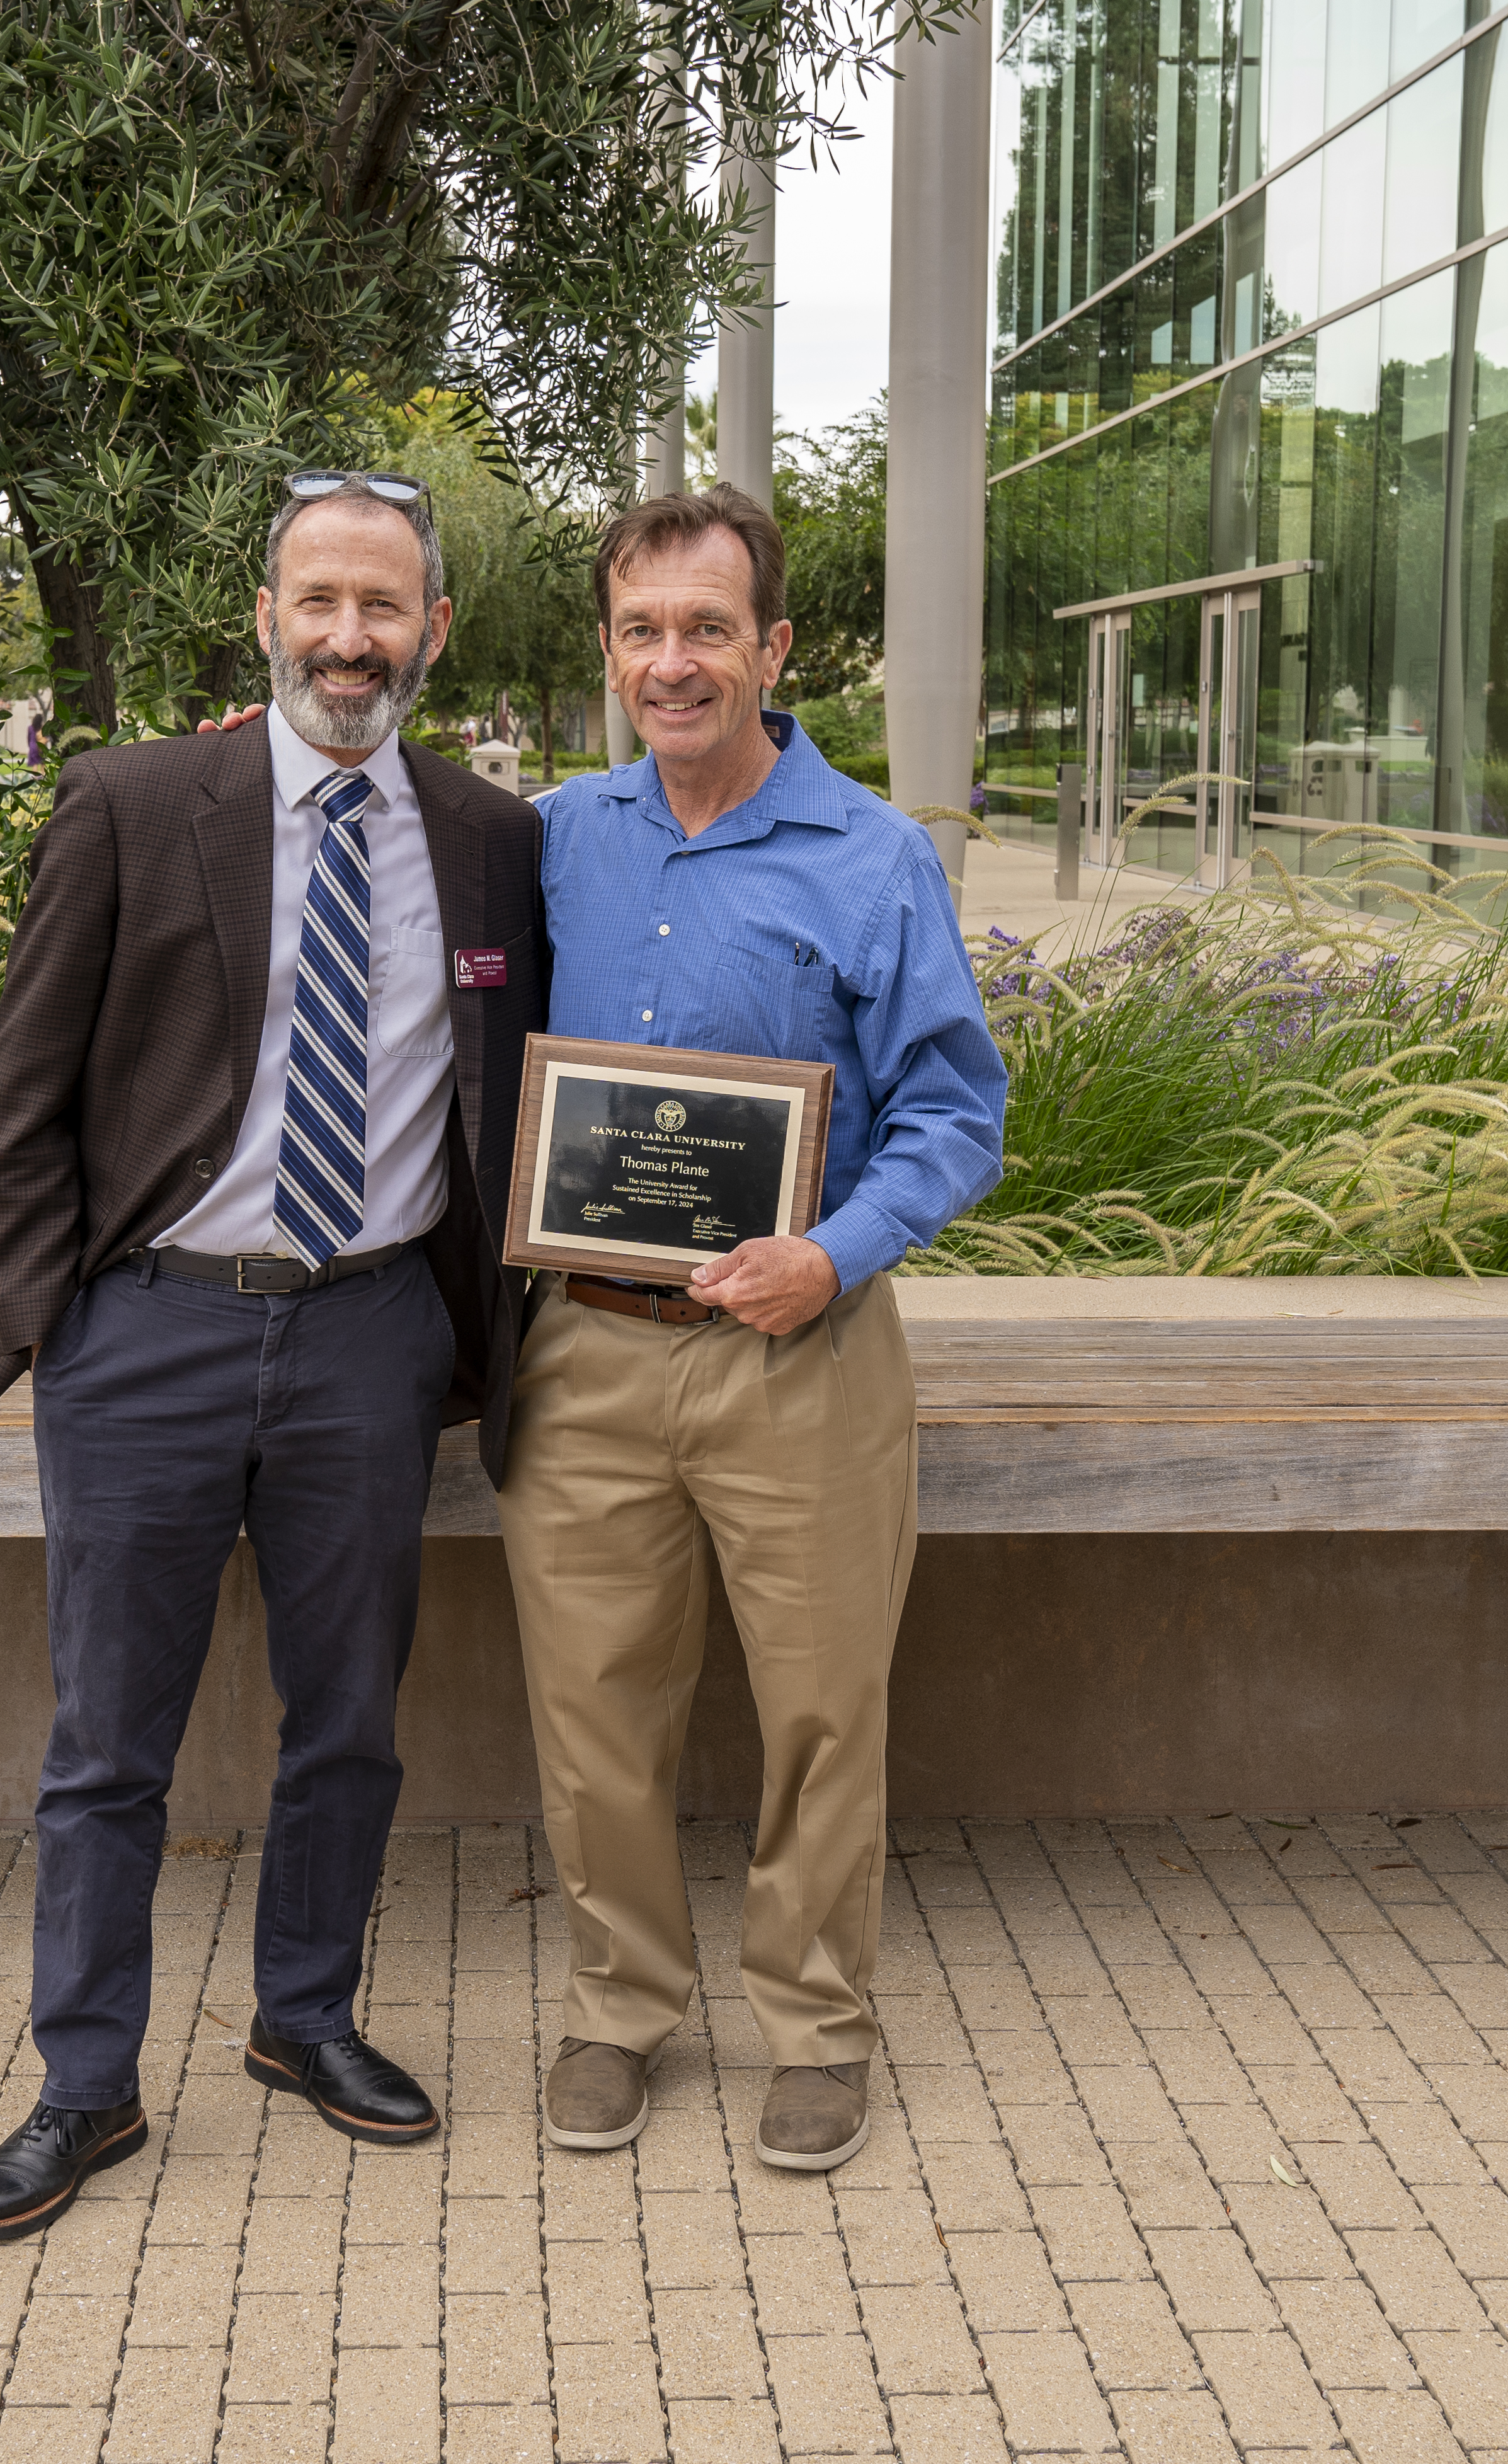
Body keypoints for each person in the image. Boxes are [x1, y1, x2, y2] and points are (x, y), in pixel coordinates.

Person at [0, 471, 549, 2243]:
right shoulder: (135, 804)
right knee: (104, 1744)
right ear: (268, 617)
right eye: (318, 603)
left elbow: (524, 1089)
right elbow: (25, 1094)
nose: (348, 640)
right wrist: (54, 1315)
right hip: (144, 1332)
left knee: (347, 1721)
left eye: (382, 608)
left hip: (370, 1331)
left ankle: (305, 2020)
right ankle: (84, 2085)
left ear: (431, 630)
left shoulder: (495, 841)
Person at [510, 484, 1006, 2173]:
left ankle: (812, 2024)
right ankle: (618, 2009)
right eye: (642, 631)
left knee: (817, 1707)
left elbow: (956, 1115)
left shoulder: (870, 858)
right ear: (609, 651)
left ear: (772, 647)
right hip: (583, 1348)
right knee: (592, 1707)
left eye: (706, 628)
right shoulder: (558, 833)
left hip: (801, 1350)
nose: (673, 662)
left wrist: (837, 1250)